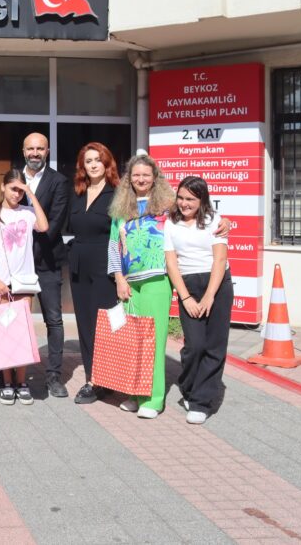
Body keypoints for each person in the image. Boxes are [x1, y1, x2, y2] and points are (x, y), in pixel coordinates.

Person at [107, 152, 175, 419]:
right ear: (129, 179)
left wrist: (222, 224)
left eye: (146, 174)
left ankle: (154, 398)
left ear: (154, 177)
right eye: (136, 175)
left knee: (154, 341)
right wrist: (118, 279)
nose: (141, 179)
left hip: (157, 280)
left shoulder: (168, 207)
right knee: (134, 340)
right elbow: (114, 246)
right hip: (130, 284)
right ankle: (135, 394)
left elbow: (194, 222)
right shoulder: (122, 210)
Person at [164, 176, 233, 425]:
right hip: (188, 285)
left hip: (217, 284)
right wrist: (185, 297)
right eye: (181, 198)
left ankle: (202, 402)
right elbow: (171, 262)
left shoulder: (214, 221)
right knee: (194, 345)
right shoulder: (171, 224)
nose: (184, 203)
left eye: (190, 199)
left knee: (214, 346)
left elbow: (219, 260)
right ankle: (189, 386)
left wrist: (209, 296)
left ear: (201, 199)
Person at [0, 169, 49, 406]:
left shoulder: (28, 213)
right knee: (3, 333)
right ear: (2, 187)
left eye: (20, 191)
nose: (17, 195)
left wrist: (31, 193)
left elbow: (43, 226)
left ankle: (21, 383)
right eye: (13, 189)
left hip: (24, 281)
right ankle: (6, 383)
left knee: (21, 334)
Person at [67, 142, 120, 404]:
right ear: (83, 166)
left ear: (107, 162)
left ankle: (99, 380)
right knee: (85, 324)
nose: (94, 165)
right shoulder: (78, 192)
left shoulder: (118, 193)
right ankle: (94, 376)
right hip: (78, 265)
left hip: (104, 265)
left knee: (104, 324)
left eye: (98, 160)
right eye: (88, 161)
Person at [20, 132, 71, 398]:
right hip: (17, 265)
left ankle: (53, 376)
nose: (35, 153)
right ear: (23, 150)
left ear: (47, 151)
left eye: (40, 148)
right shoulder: (13, 179)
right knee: (16, 320)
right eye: (31, 148)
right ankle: (9, 375)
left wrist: (23, 242)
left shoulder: (59, 182)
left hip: (47, 262)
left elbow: (52, 227)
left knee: (53, 320)